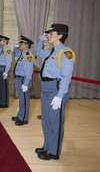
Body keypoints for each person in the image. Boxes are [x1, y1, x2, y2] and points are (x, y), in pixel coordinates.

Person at [35, 24, 75, 160]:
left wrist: (59, 96)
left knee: (55, 121)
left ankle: (53, 151)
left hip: (56, 89)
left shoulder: (66, 52)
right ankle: (47, 145)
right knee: (46, 120)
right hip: (46, 88)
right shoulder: (51, 51)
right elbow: (38, 53)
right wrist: (41, 41)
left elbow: (66, 77)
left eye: (51, 33)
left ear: (60, 36)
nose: (49, 36)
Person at [11, 36, 34, 126]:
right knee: (21, 99)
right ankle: (20, 115)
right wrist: (16, 47)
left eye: (21, 43)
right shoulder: (22, 54)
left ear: (26, 45)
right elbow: (14, 52)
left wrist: (26, 84)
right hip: (19, 79)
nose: (19, 45)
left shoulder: (28, 56)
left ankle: (24, 118)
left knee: (24, 99)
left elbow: (28, 72)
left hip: (23, 80)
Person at [0, 35, 12, 108]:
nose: (0, 42)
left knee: (4, 87)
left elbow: (9, 62)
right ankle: (1, 100)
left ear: (5, 41)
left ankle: (5, 103)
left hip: (3, 69)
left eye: (2, 40)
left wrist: (6, 71)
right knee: (0, 86)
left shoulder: (7, 49)